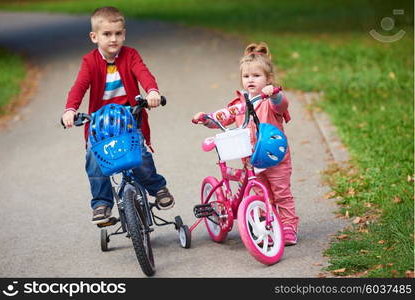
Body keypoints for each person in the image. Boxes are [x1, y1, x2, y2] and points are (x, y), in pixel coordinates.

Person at [61, 6, 174, 225]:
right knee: (94, 159)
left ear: (124, 34)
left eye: (118, 33)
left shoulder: (130, 55)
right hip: (100, 124)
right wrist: (70, 109)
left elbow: (143, 72)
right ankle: (102, 203)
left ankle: (157, 188)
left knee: (139, 155)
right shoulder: (89, 62)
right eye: (107, 34)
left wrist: (152, 91)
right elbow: (79, 87)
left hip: (129, 119)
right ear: (94, 37)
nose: (113, 39)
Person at [192, 42, 299, 245]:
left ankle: (287, 227)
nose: (250, 80)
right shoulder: (239, 106)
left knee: (281, 193)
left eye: (256, 76)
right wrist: (206, 118)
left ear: (268, 79)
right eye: (246, 76)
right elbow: (221, 117)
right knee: (260, 192)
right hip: (251, 159)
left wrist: (274, 93)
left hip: (275, 157)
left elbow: (282, 104)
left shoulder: (269, 101)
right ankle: (264, 221)